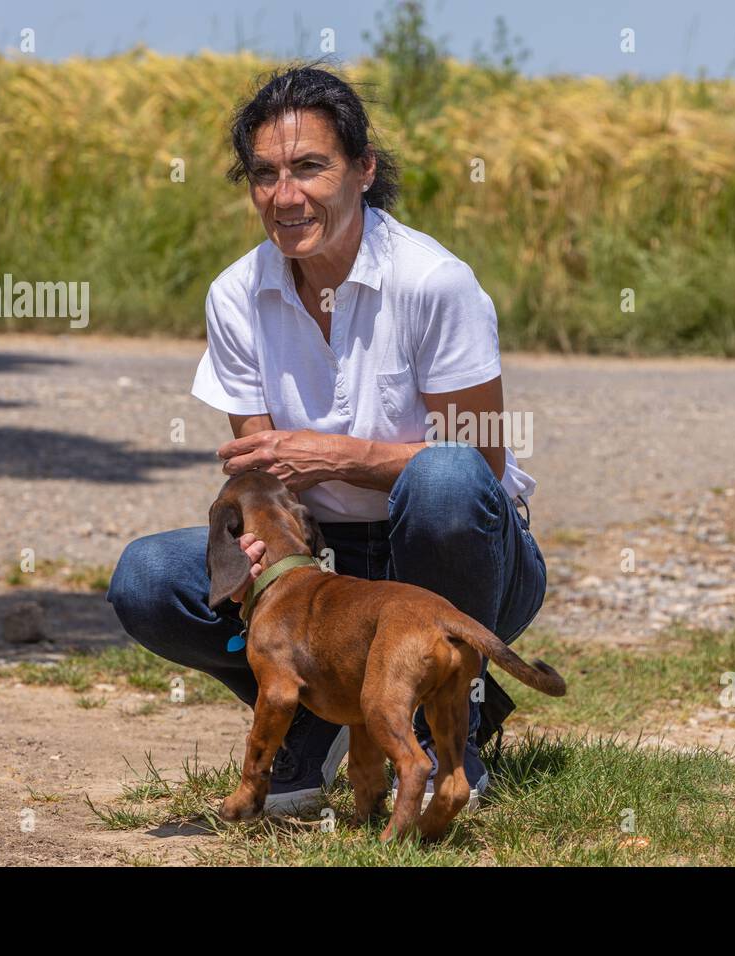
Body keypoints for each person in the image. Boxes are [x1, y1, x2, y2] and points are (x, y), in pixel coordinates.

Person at [105, 63, 546, 815]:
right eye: (264, 174)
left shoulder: (434, 281)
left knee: (444, 480)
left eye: (310, 167)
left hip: (459, 554)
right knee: (146, 577)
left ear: (364, 170)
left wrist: (338, 454)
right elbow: (259, 485)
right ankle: (314, 715)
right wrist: (248, 551)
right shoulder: (235, 295)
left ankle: (455, 726)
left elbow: (484, 464)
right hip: (320, 570)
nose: (286, 195)